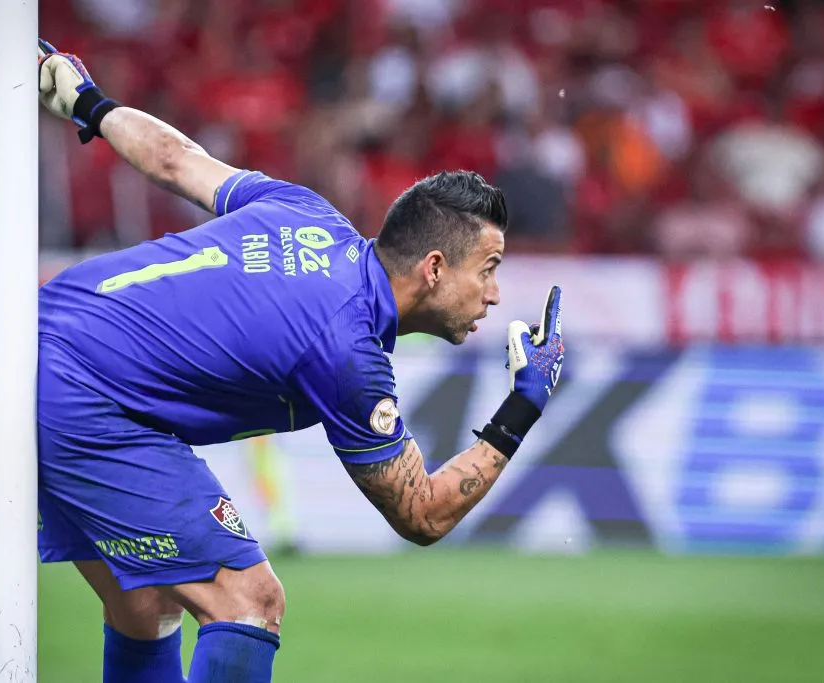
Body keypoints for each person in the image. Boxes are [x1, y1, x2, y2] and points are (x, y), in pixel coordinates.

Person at [35, 39, 566, 683]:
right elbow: (422, 514)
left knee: (146, 603)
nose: (494, 293)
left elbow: (177, 160)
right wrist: (525, 404)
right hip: (83, 395)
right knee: (251, 603)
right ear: (433, 269)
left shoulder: (307, 212)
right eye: (487, 270)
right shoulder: (349, 352)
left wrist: (88, 103)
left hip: (41, 330)